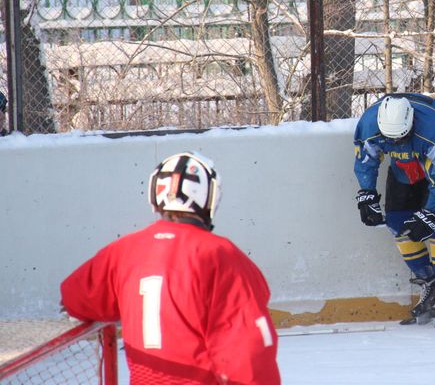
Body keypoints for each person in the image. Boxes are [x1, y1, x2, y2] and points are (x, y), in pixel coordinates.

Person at [60, 152, 280, 385]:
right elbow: (248, 350)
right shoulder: (222, 256)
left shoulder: (124, 250)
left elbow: (76, 298)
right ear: (210, 198)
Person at [354, 92, 435, 325]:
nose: (396, 142)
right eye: (391, 138)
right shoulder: (368, 124)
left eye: (400, 136)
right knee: (397, 221)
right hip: (403, 166)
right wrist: (367, 194)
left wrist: (430, 212)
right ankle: (429, 282)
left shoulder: (433, 130)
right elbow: (367, 160)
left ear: (410, 123)